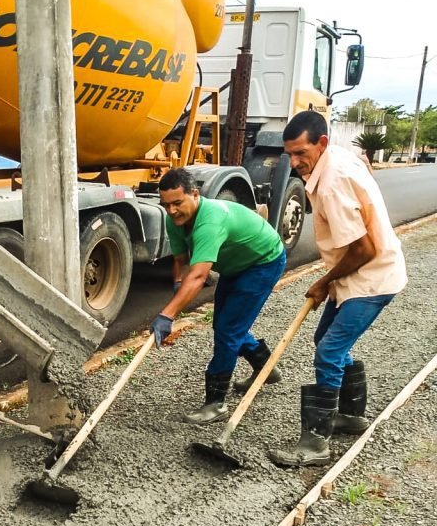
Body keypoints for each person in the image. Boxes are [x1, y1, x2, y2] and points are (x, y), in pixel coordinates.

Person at [269, 111, 407, 467]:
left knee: (329, 351)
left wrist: (324, 280)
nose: (294, 162)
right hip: (357, 273)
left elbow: (364, 249)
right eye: (289, 154)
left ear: (322, 143)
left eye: (301, 153)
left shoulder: (332, 184)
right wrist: (332, 279)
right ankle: (350, 415)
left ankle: (316, 443)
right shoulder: (336, 159)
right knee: (325, 340)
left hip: (372, 278)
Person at [150, 168, 286, 424]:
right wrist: (179, 285)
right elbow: (181, 259)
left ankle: (216, 404)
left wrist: (167, 315)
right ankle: (266, 368)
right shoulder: (175, 220)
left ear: (195, 194)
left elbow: (199, 275)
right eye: (166, 205)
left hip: (263, 262)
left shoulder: (209, 221)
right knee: (224, 326)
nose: (172, 210)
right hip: (234, 266)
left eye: (177, 203)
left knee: (228, 330)